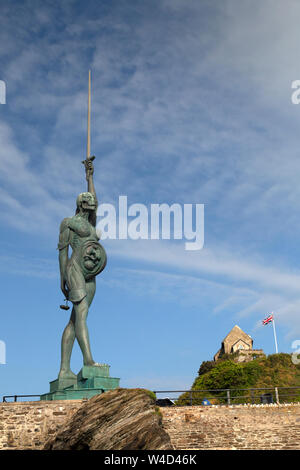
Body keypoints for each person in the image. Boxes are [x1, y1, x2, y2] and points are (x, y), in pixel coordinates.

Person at [57, 159, 106, 380]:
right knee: (81, 315)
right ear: (80, 203)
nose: (92, 200)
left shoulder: (92, 223)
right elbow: (62, 252)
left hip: (90, 274)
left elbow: (96, 199)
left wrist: (90, 177)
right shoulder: (68, 222)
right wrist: (62, 279)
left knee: (75, 320)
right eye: (87, 199)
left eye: (92, 199)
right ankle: (88, 360)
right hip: (74, 270)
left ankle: (64, 370)